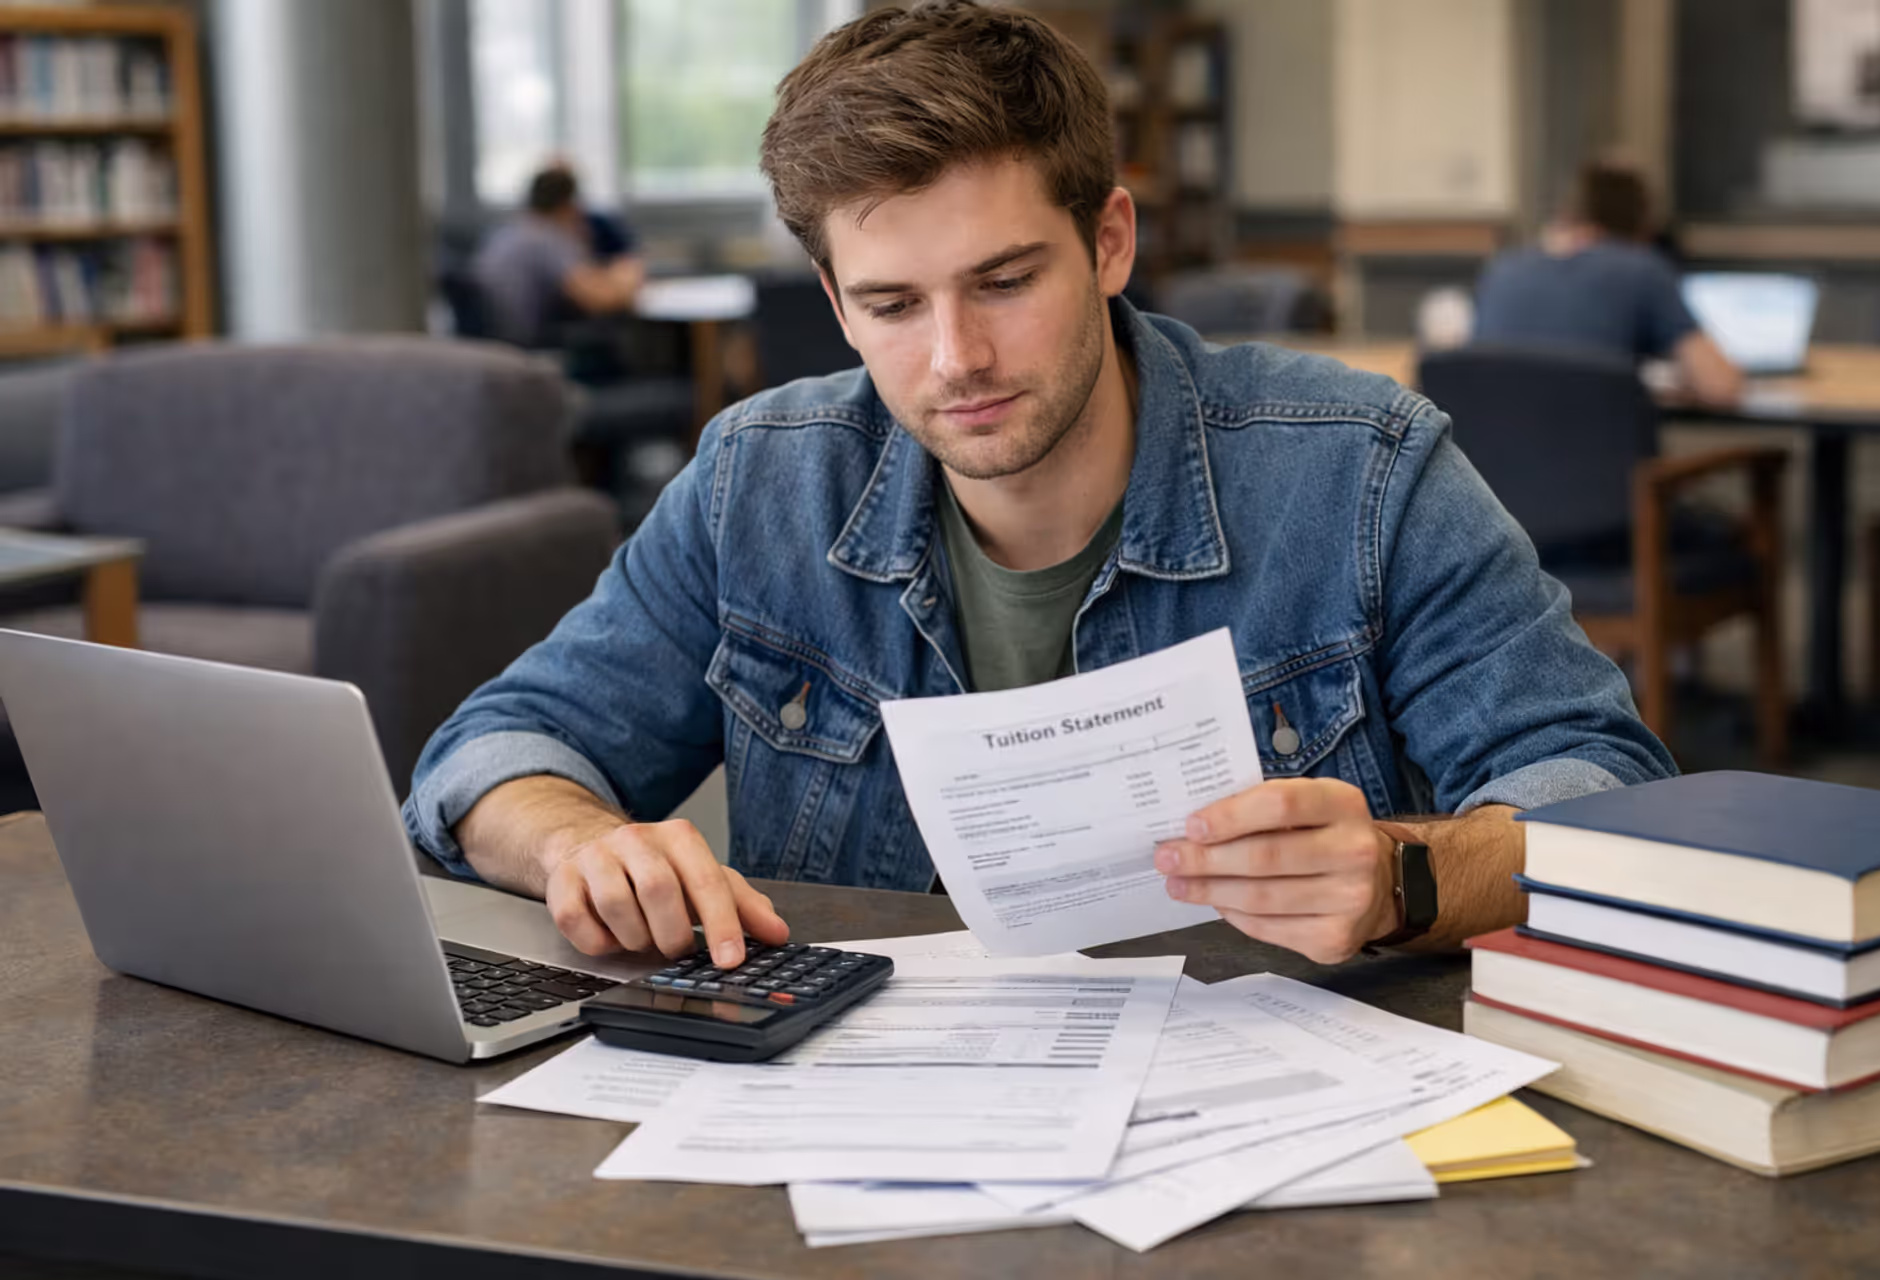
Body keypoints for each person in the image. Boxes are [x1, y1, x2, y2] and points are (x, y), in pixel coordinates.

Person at [405, 0, 1674, 973]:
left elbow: (1607, 792)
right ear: (837, 300)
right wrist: (578, 838)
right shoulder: (760, 480)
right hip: (867, 1124)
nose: (956, 360)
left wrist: (1408, 875)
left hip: (1273, 1128)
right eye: (894, 304)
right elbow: (490, 755)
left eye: (1005, 282)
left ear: (1109, 241)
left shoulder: (1362, 468)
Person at [1472, 161, 1745, 407]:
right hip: (1601, 458)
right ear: (1642, 221)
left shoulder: (1501, 269)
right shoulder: (1642, 269)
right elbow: (1721, 388)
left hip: (1490, 462)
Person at [469, 164, 645, 351]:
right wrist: (629, 274)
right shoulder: (547, 239)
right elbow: (599, 302)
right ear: (569, 205)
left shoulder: (507, 232)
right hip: (530, 347)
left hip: (497, 342)